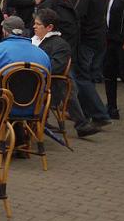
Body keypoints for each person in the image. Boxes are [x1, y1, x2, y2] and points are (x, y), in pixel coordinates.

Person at [31, 8, 100, 138]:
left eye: (38, 24)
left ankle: (33, 123)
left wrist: (32, 70)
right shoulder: (33, 40)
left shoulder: (59, 45)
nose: (34, 26)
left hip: (50, 86)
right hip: (36, 81)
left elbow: (55, 68)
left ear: (49, 27)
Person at [0, 17, 51, 118]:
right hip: (34, 108)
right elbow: (47, 81)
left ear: (4, 31)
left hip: (3, 105)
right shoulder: (43, 54)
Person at [70, 0, 112, 127]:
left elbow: (76, 16)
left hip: (87, 40)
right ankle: (88, 112)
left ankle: (99, 114)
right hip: (99, 38)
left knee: (81, 77)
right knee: (87, 76)